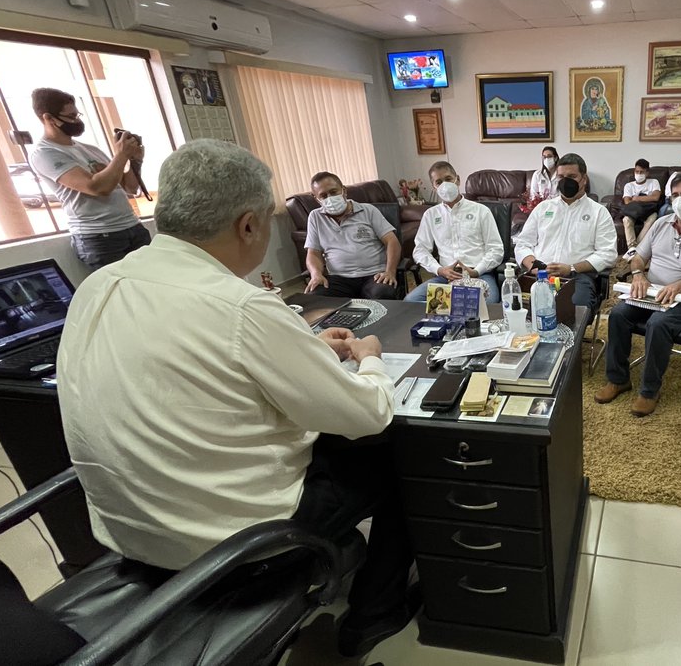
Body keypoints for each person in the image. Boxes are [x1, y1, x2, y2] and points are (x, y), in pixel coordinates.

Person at [56, 140, 415, 659]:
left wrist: (305, 351)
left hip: (129, 531)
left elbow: (202, 370)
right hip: (236, 544)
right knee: (398, 457)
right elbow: (367, 414)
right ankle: (376, 613)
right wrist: (371, 358)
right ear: (249, 225)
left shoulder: (96, 286)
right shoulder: (241, 307)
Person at [595, 171, 681, 416]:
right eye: (676, 195)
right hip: (654, 292)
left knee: (658, 324)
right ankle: (618, 379)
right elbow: (638, 258)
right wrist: (639, 275)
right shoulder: (661, 224)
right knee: (618, 314)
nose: (680, 200)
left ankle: (649, 391)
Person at [28, 88, 151, 270]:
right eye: (70, 117)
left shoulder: (90, 149)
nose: (77, 121)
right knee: (119, 295)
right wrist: (120, 155)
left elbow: (130, 188)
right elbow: (97, 188)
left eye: (77, 115)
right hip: (100, 238)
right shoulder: (45, 153)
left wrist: (134, 159)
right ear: (48, 118)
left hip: (133, 228)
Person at [515, 153, 617, 307]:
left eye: (572, 176)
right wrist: (534, 267)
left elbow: (608, 253)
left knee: (573, 309)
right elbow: (523, 244)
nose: (565, 181)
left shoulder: (598, 212)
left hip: (576, 277)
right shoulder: (544, 208)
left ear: (584, 179)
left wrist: (571, 268)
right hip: (540, 274)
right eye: (561, 176)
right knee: (515, 303)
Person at [406, 161, 504, 304]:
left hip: (479, 275)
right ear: (434, 187)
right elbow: (420, 250)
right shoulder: (430, 215)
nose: (444, 185)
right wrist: (439, 270)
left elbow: (496, 249)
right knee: (410, 302)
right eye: (438, 182)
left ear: (457, 179)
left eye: (448, 179)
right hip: (445, 278)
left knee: (488, 306)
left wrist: (476, 271)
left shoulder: (481, 211)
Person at [305, 171, 401, 300]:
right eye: (323, 196)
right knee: (314, 296)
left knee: (382, 293)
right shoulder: (315, 217)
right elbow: (313, 253)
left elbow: (392, 241)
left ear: (344, 190)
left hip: (374, 275)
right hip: (339, 278)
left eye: (333, 192)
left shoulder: (368, 210)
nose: (330, 198)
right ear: (317, 199)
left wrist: (390, 272)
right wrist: (316, 274)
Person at [621, 159, 663, 261]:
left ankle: (634, 250)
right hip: (633, 211)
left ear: (647, 172)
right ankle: (632, 247)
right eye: (637, 171)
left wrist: (636, 198)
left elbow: (655, 197)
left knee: (652, 220)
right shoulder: (629, 185)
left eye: (642, 172)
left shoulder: (654, 182)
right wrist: (647, 198)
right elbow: (627, 201)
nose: (639, 174)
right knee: (626, 220)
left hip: (649, 211)